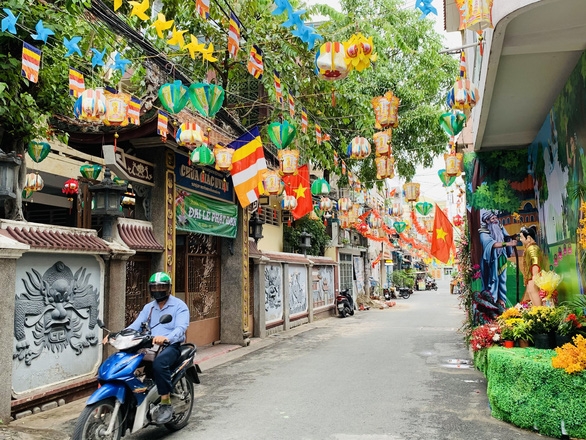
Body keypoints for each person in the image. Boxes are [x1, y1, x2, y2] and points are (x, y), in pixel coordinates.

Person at [127, 271, 190, 424]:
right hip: (149, 345)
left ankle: (165, 402)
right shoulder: (149, 307)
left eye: (162, 286)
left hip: (171, 346)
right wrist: (118, 335)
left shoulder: (179, 306)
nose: (158, 290)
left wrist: (167, 338)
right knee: (125, 361)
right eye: (154, 287)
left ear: (169, 288)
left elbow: (181, 328)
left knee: (159, 364)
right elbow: (135, 326)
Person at [478, 211, 517, 309]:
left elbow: (506, 236)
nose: (495, 220)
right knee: (493, 281)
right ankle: (492, 304)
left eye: (496, 218)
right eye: (493, 219)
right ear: (487, 221)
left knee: (502, 280)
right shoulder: (483, 232)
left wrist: (511, 238)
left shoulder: (499, 227)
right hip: (490, 261)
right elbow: (492, 244)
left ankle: (502, 302)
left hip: (502, 257)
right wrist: (507, 244)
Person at [519, 225, 544, 306]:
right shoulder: (529, 248)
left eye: (521, 237)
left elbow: (535, 262)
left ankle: (539, 312)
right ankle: (536, 312)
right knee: (531, 291)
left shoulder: (533, 248)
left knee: (534, 292)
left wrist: (535, 276)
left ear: (528, 238)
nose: (520, 240)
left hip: (533, 277)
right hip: (530, 277)